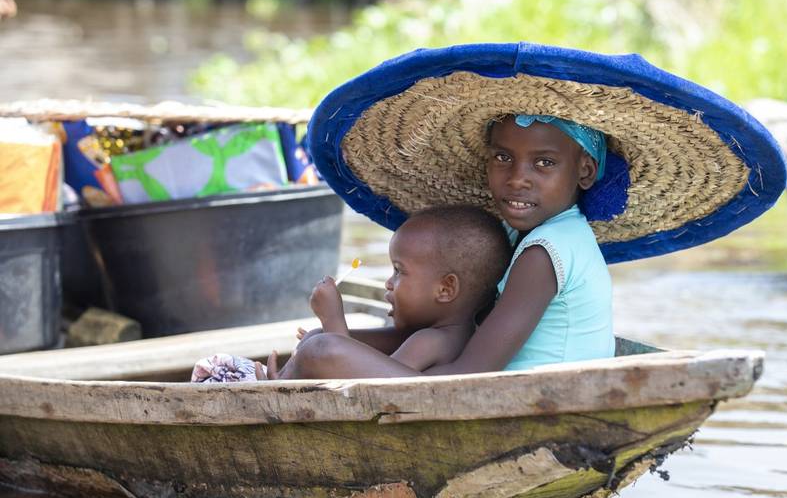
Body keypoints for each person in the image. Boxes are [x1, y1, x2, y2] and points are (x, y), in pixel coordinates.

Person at [265, 113, 614, 380]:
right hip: (492, 385)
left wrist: (336, 334)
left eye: (544, 163)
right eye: (503, 158)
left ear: (584, 171)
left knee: (323, 349)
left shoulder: (544, 252)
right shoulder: (523, 233)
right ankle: (280, 386)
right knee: (317, 341)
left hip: (528, 403)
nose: (517, 177)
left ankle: (275, 393)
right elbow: (451, 333)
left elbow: (473, 372)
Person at [193, 204, 511, 382]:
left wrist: (333, 318)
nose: (388, 283)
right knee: (316, 339)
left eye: (399, 271)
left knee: (322, 346)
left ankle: (274, 385)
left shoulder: (433, 340)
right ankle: (280, 379)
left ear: (445, 289)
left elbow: (363, 387)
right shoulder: (446, 333)